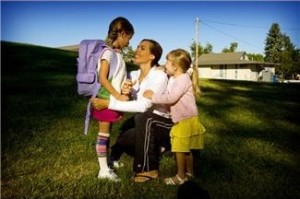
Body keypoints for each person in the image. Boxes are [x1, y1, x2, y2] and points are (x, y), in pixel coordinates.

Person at [91, 39, 170, 181]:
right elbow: (125, 99)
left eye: (143, 48)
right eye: (138, 46)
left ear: (152, 56)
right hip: (146, 124)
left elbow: (143, 106)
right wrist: (125, 93)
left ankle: (148, 169)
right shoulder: (132, 75)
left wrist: (108, 104)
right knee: (124, 139)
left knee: (143, 117)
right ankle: (157, 149)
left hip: (165, 125)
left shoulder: (160, 75)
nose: (137, 50)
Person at [143, 49, 205, 185]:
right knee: (187, 149)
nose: (165, 65)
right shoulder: (180, 78)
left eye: (167, 63)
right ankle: (189, 173)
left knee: (179, 149)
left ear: (176, 67)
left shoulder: (181, 79)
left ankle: (180, 176)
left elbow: (171, 98)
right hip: (189, 119)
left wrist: (152, 97)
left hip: (184, 121)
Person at [92, 16, 134, 181]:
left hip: (112, 99)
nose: (129, 43)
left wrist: (124, 89)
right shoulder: (108, 52)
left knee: (107, 134)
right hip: (105, 99)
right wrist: (117, 96)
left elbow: (116, 77)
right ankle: (103, 171)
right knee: (103, 135)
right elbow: (102, 78)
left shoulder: (118, 54)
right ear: (122, 34)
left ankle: (108, 160)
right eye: (129, 38)